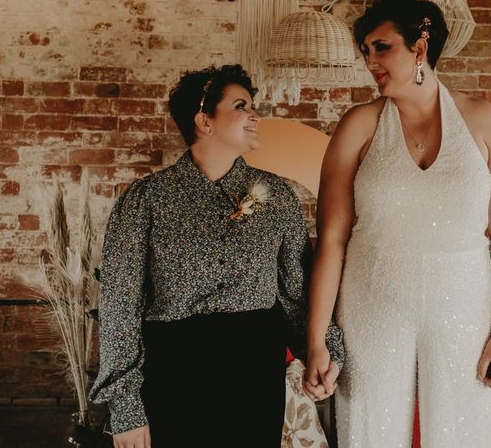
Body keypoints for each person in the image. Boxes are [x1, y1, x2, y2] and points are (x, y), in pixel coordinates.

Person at [304, 0, 491, 447]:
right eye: (365, 50)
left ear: (420, 47)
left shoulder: (484, 121)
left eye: (381, 48)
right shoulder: (358, 126)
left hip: (463, 310)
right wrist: (317, 339)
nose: (370, 61)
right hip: (370, 306)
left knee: (462, 437)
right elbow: (330, 240)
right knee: (369, 434)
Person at [90, 64, 344, 448]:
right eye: (241, 105)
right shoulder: (145, 200)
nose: (255, 114)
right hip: (173, 371)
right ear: (204, 121)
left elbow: (297, 293)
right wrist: (126, 407)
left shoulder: (276, 197)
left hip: (253, 370)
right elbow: (118, 306)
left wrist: (323, 351)